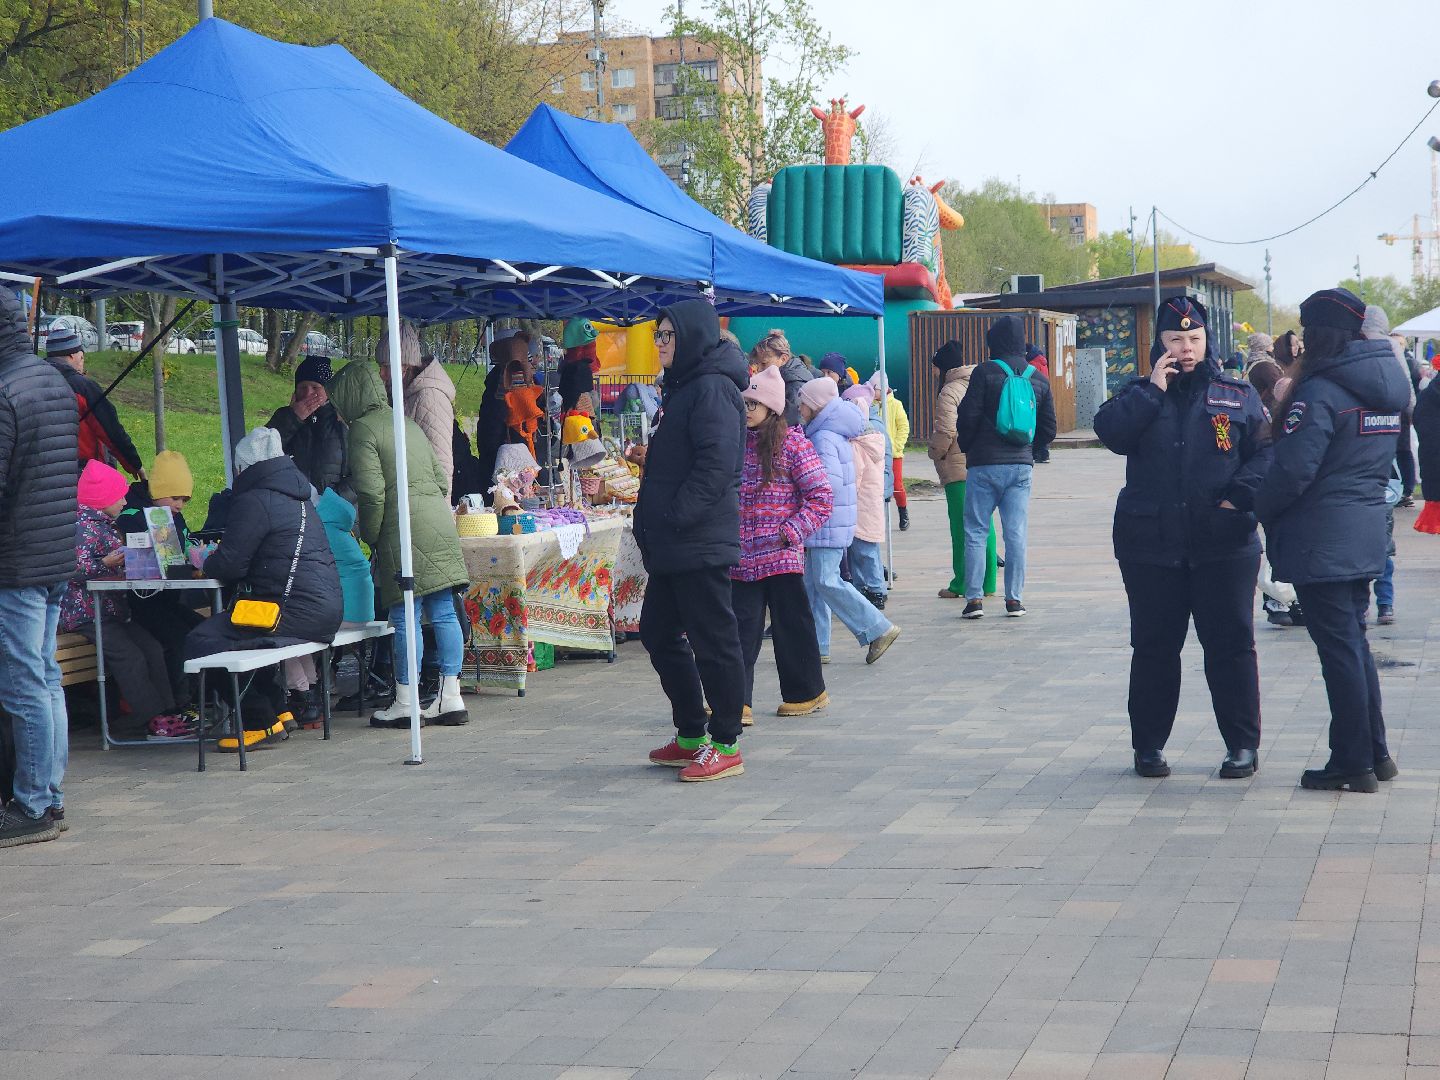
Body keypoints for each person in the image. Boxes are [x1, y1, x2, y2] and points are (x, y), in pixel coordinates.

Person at [1093, 296, 1272, 780]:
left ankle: (1242, 746)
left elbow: (1267, 453)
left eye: (1194, 338)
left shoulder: (1235, 393)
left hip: (1224, 544)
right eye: (1176, 339)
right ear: (1160, 343)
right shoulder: (1139, 393)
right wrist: (1153, 391)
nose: (1186, 348)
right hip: (1151, 547)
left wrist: (1239, 498)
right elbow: (1111, 434)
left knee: (1231, 647)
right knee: (1154, 648)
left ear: (1208, 339)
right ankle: (1148, 747)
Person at [1255, 287, 1410, 793]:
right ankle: (1375, 753)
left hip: (1321, 536)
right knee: (1353, 644)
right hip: (1364, 530)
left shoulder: (1320, 392)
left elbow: (1294, 470)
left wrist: (1258, 508)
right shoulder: (1383, 387)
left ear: (1319, 334)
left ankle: (1351, 762)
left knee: (1339, 652)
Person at [634, 301, 749, 782]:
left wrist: (675, 515)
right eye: (657, 335)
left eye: (668, 335)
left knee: (714, 641)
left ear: (692, 337)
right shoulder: (683, 386)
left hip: (698, 540)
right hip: (673, 544)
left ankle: (725, 743)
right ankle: (691, 732)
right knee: (657, 631)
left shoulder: (712, 388)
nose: (660, 344)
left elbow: (716, 466)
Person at [328, 362, 469, 728]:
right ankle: (451, 697)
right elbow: (440, 479)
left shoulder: (363, 429)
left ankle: (406, 700)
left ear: (350, 396)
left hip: (402, 527)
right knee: (444, 611)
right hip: (438, 522)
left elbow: (372, 493)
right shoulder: (406, 423)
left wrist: (372, 535)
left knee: (406, 616)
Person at [186, 428, 343, 751]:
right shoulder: (300, 496)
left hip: (290, 610)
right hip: (322, 610)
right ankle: (278, 710)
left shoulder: (255, 500)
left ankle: (259, 720)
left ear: (243, 467)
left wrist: (205, 562)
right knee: (239, 635)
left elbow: (229, 566)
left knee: (201, 641)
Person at [0, 288, 77, 847]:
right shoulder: (51, 379)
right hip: (54, 552)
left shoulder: (4, 389)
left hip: (17, 558)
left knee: (24, 682)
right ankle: (49, 794)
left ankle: (31, 805)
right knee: (46, 677)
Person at [732, 365, 832, 720]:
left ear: (772, 407)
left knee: (793, 628)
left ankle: (807, 692)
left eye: (753, 403)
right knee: (739, 631)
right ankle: (735, 701)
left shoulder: (793, 443)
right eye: (743, 403)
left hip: (781, 556)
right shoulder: (736, 444)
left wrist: (790, 532)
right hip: (741, 559)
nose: (746, 410)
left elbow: (821, 497)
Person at [61, 460, 187, 739]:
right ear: (101, 498)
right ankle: (150, 716)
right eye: (118, 496)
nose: (125, 501)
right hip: (86, 612)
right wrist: (105, 563)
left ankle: (168, 710)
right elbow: (71, 570)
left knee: (152, 648)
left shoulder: (105, 525)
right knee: (129, 656)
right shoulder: (81, 528)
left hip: (112, 609)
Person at [955, 315, 1056, 619]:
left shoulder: (985, 372)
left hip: (984, 465)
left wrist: (969, 446)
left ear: (994, 342)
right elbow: (1049, 428)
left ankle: (974, 600)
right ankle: (1014, 600)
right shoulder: (1038, 378)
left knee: (976, 531)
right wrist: (1029, 449)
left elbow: (968, 416)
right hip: (1020, 468)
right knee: (1016, 534)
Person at [799, 377, 902, 665]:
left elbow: (825, 483)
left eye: (803, 402)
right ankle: (817, 645)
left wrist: (800, 494)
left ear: (816, 405)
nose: (800, 408)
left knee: (826, 580)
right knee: (814, 584)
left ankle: (877, 628)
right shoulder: (831, 431)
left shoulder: (822, 437)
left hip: (825, 521)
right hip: (830, 519)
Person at [116, 450, 206, 706]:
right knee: (179, 639)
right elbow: (138, 552)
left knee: (202, 631)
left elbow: (185, 545)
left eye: (185, 500)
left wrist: (196, 557)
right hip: (140, 602)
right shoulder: (131, 515)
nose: (180, 505)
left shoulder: (175, 516)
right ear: (157, 491)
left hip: (169, 599)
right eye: (175, 497)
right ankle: (182, 703)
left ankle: (202, 696)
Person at [927, 341, 998, 600]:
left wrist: (935, 452)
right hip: (984, 460)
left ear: (944, 367)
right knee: (985, 525)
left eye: (935, 368)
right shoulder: (981, 382)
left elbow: (946, 430)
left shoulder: (950, 391)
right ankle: (988, 582)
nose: (934, 373)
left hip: (958, 467)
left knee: (961, 527)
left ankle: (962, 583)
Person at [1361, 306, 1413, 626]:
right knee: (1382, 545)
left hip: (1361, 467)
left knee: (1365, 547)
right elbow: (1408, 397)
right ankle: (1385, 604)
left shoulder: (1347, 353)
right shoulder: (1392, 352)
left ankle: (1372, 603)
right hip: (1383, 461)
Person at [1244, 360, 1304, 629]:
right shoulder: (1290, 406)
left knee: (1274, 547)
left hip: (1271, 486)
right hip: (1286, 485)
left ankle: (1278, 602)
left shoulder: (1257, 409)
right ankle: (1288, 601)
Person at [45, 327, 143, 478]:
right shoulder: (82, 387)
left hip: (41, 470)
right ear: (72, 355)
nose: (82, 363)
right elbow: (110, 429)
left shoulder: (32, 382)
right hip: (82, 471)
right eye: (82, 358)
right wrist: (134, 464)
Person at [379, 322, 458, 504]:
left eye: (386, 366)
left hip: (425, 504)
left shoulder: (430, 396)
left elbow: (442, 461)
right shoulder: (402, 393)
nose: (381, 373)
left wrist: (441, 511)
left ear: (404, 366)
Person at [266, 354, 347, 496]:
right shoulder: (283, 416)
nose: (308, 393)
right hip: (292, 503)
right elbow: (263, 449)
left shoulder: (342, 419)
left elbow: (359, 475)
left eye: (315, 387)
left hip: (332, 504)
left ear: (328, 391)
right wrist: (293, 417)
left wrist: (332, 501)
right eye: (303, 387)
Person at [842, 383, 889, 609]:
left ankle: (873, 588)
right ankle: (871, 586)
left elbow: (855, 475)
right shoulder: (874, 437)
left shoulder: (857, 443)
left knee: (861, 550)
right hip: (871, 503)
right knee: (868, 548)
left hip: (860, 502)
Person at [870, 372, 912, 529]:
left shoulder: (896, 405)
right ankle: (878, 517)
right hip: (877, 453)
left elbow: (903, 427)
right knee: (877, 485)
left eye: (874, 389)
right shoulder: (871, 405)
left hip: (893, 454)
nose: (872, 392)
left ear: (882, 388)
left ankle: (903, 512)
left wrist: (897, 446)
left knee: (897, 485)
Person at [749, 329, 813, 426]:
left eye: (764, 363)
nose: (759, 370)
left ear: (783, 359)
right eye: (757, 364)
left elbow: (796, 423)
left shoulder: (795, 386)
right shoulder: (781, 376)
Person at [1026, 346, 1054, 463]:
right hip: (1043, 394)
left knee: (1035, 426)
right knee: (1041, 425)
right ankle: (1044, 454)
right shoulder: (1042, 362)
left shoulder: (1031, 364)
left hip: (1033, 396)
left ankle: (1038, 453)